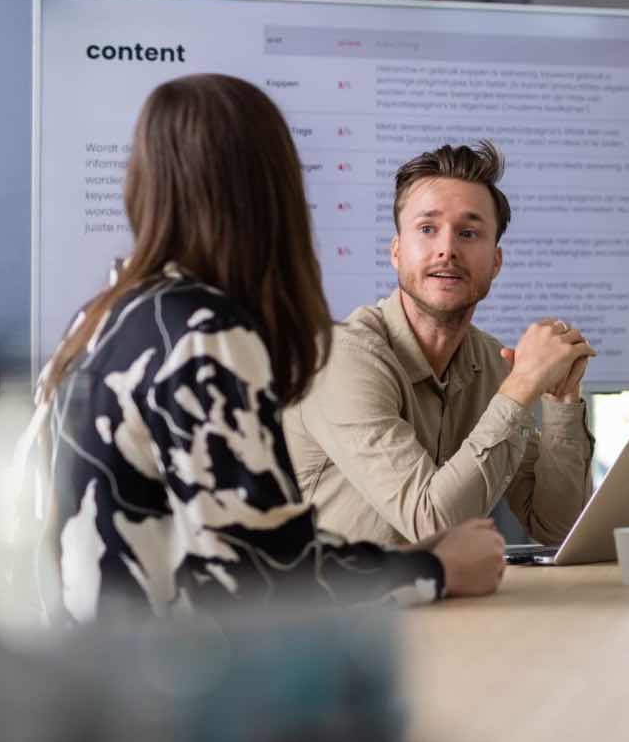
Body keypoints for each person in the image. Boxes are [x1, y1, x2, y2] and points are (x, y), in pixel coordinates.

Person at [42, 75, 504, 622]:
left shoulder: (104, 316)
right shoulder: (205, 336)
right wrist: (436, 569)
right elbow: (264, 576)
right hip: (147, 688)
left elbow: (247, 548)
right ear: (271, 193)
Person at [284, 143, 595, 547]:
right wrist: (521, 387)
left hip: (437, 602)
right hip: (328, 605)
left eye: (469, 233)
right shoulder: (340, 358)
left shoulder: (491, 362)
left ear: (495, 262)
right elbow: (429, 522)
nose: (447, 249)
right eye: (427, 229)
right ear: (397, 252)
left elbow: (558, 528)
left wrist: (561, 400)